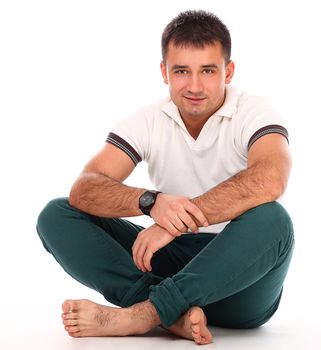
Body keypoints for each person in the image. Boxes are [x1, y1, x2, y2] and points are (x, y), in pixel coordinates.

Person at [36, 9, 294, 345]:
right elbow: (85, 188)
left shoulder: (254, 112)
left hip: (242, 277)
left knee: (274, 219)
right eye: (182, 71)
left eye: (208, 71)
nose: (195, 86)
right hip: (168, 264)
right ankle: (171, 314)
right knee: (57, 214)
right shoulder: (147, 121)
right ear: (164, 72)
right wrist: (150, 202)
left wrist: (173, 223)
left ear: (228, 72)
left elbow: (270, 179)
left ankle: (142, 315)